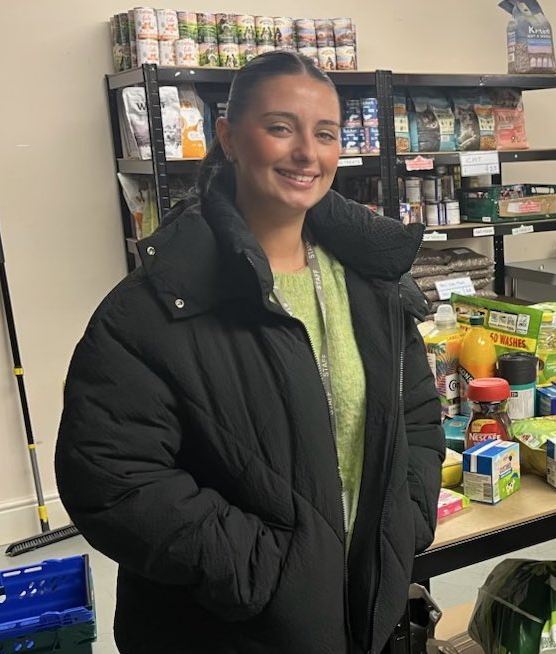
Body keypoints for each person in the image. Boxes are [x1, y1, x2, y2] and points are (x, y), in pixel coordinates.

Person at [56, 51, 444, 654]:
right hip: (225, 631)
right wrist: (265, 568)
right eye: (280, 127)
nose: (307, 153)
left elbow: (415, 412)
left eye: (326, 134)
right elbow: (112, 477)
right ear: (230, 138)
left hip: (364, 614)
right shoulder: (162, 299)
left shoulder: (372, 282)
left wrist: (406, 516)